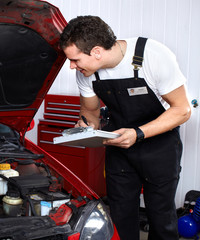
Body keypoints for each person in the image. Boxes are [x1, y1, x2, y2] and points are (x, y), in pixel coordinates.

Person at [59, 16, 191, 240]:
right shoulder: (87, 73)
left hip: (159, 147)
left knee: (161, 216)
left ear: (97, 52)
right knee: (120, 213)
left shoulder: (152, 56)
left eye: (75, 59)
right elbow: (91, 113)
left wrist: (138, 133)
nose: (72, 65)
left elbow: (182, 110)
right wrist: (86, 126)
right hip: (119, 146)